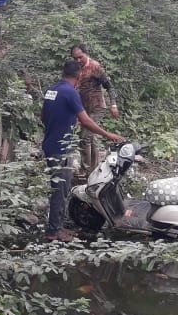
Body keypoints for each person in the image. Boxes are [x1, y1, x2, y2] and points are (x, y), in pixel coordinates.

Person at [41, 59, 124, 242]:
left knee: (59, 188)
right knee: (60, 190)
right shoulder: (71, 92)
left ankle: (57, 226)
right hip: (61, 148)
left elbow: (44, 117)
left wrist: (59, 125)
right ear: (78, 76)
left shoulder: (51, 90)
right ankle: (53, 231)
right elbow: (85, 120)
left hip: (50, 144)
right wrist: (108, 134)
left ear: (63, 73)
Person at [70, 43, 119, 173]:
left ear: (86, 53)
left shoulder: (95, 67)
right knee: (90, 137)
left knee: (85, 136)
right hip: (83, 107)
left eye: (80, 57)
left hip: (97, 106)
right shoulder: (76, 68)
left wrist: (113, 104)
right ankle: (94, 168)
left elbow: (109, 86)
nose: (78, 60)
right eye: (75, 58)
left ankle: (85, 170)